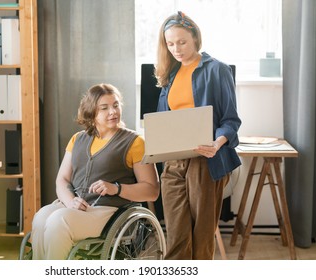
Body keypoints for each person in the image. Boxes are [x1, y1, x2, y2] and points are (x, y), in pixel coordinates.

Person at [31, 83, 160, 259]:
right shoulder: (77, 139)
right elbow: (61, 179)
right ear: (91, 112)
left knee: (57, 221)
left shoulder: (135, 142)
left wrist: (116, 188)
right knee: (40, 218)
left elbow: (152, 190)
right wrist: (70, 202)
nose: (113, 112)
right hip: (74, 207)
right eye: (104, 108)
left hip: (107, 211)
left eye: (116, 105)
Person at [154, 11, 242, 260]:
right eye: (170, 44)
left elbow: (231, 121)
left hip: (206, 160)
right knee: (176, 237)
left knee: (201, 238)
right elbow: (165, 120)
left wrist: (217, 143)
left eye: (182, 42)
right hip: (173, 162)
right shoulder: (169, 74)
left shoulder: (218, 70)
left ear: (195, 37)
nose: (176, 49)